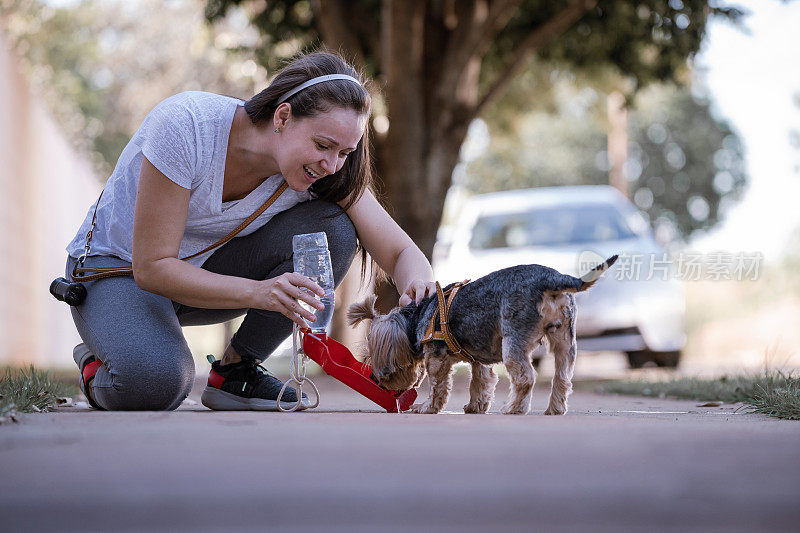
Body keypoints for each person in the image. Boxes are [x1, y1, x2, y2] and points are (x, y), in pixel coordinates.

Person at [65, 51, 436, 411]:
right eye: (323, 146)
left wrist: (422, 294)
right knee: (156, 382)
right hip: (117, 273)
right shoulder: (186, 126)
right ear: (283, 116)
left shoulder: (320, 172)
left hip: (200, 277)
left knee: (333, 231)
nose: (332, 164)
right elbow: (153, 268)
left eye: (345, 153)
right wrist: (259, 292)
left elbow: (401, 252)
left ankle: (236, 372)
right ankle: (102, 360)